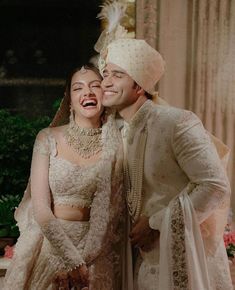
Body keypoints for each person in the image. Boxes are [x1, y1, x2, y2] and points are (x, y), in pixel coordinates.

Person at [99, 37, 233, 290]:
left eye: (117, 75)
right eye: (105, 73)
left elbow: (214, 185)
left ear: (139, 85)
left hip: (189, 260)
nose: (105, 82)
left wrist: (154, 223)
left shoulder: (176, 122)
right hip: (146, 264)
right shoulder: (116, 131)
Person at [3, 64, 125, 290]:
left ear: (104, 94)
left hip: (97, 251)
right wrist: (72, 260)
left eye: (94, 86)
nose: (87, 92)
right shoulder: (47, 138)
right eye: (78, 88)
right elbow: (40, 207)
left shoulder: (117, 143)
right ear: (69, 98)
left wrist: (86, 260)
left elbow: (112, 210)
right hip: (52, 246)